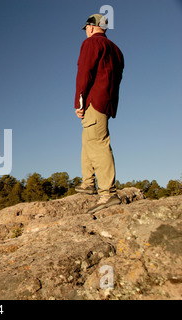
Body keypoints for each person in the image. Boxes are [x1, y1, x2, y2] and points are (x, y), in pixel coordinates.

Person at [74, 14, 124, 214]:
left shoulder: (91, 44)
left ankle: (108, 193)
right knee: (89, 139)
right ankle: (88, 182)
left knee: (97, 142)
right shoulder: (117, 50)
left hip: (94, 100)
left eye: (86, 27)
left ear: (92, 27)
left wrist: (79, 101)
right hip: (107, 101)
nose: (86, 31)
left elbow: (84, 72)